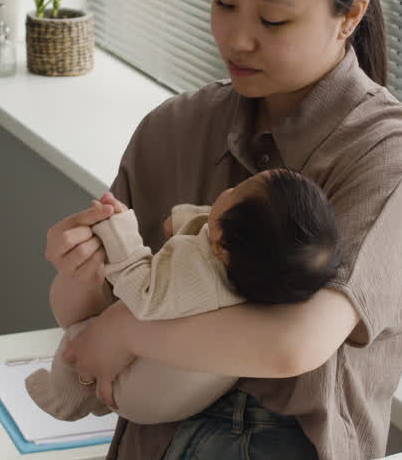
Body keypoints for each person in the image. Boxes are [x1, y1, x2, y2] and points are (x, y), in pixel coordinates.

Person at [46, 0, 402, 460]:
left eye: (273, 18)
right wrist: (75, 273)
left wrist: (127, 330)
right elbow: (85, 319)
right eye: (224, 3)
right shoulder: (174, 128)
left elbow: (294, 344)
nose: (236, 37)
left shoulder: (384, 151)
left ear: (352, 14)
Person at [27, 169, 342, 424]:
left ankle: (64, 402)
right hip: (172, 394)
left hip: (142, 392)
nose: (227, 190)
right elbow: (210, 229)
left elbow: (143, 289)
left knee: (81, 336)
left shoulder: (201, 278)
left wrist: (118, 231)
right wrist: (186, 220)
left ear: (220, 242)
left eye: (237, 190)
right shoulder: (258, 264)